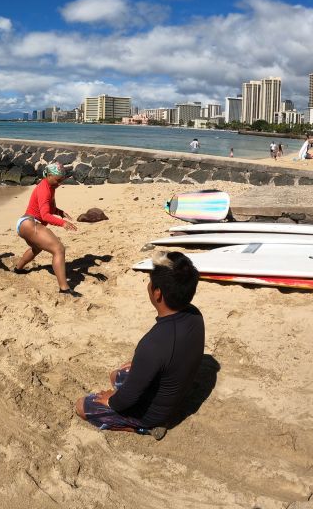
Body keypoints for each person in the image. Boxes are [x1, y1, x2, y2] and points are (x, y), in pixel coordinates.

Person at [75, 251, 204, 437]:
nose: (149, 285)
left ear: (157, 293)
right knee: (116, 375)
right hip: (175, 390)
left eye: (150, 282)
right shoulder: (194, 314)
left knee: (82, 406)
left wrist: (111, 401)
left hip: (153, 414)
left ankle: (144, 427)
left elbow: (125, 400)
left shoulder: (153, 344)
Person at [14, 162, 80, 296]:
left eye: (61, 180)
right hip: (29, 222)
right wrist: (62, 223)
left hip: (26, 223)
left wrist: (60, 212)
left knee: (37, 248)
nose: (59, 183)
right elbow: (45, 215)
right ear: (49, 176)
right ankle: (64, 288)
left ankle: (18, 269)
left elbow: (47, 208)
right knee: (58, 249)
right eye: (57, 180)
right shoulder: (44, 188)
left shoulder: (50, 186)